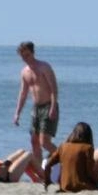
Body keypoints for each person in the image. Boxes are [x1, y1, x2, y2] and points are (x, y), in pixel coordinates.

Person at [12, 41, 59, 173]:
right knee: (34, 141)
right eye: (22, 55)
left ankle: (65, 159)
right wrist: (17, 113)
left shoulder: (44, 67)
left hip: (48, 105)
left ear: (32, 52)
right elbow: (23, 93)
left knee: (45, 142)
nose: (25, 58)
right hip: (36, 108)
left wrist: (53, 107)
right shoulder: (24, 72)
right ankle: (40, 172)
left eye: (27, 54)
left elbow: (54, 89)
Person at [43, 122, 98, 193]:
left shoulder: (63, 147)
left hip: (65, 186)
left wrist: (47, 181)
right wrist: (97, 181)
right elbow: (90, 172)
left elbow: (48, 165)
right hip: (82, 186)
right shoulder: (88, 148)